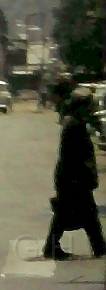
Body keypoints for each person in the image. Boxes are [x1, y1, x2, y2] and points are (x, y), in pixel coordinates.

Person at [43, 90, 106, 259]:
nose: (92, 111)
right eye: (89, 108)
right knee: (78, 215)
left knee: (81, 215)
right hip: (73, 178)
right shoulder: (75, 127)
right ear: (81, 108)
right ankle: (52, 247)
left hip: (73, 177)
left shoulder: (76, 124)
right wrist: (85, 177)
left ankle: (99, 247)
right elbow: (77, 157)